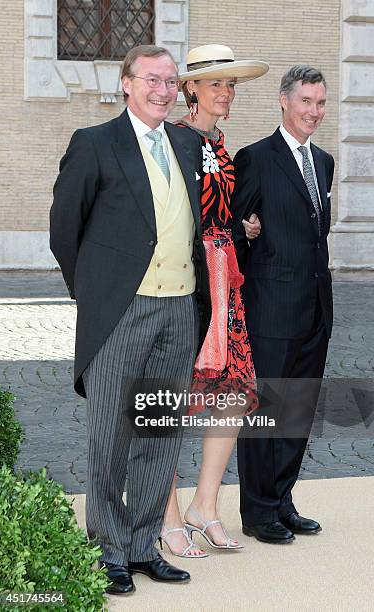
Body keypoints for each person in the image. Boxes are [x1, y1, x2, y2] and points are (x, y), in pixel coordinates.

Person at [50, 45, 212, 595]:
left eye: (171, 81)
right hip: (122, 311)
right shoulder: (94, 143)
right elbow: (63, 228)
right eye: (152, 80)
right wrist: (96, 295)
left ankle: (145, 546)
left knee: (159, 432)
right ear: (126, 83)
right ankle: (108, 550)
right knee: (110, 436)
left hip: (179, 308)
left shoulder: (190, 143)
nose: (163, 90)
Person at [159, 44, 268, 558]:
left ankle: (205, 506)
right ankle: (168, 515)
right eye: (217, 84)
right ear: (192, 89)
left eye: (232, 85)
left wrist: (239, 230)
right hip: (188, 281)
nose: (227, 93)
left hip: (225, 279)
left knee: (232, 393)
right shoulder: (174, 140)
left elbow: (217, 212)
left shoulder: (220, 144)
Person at [232, 65, 335, 544]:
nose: (314, 112)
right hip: (270, 307)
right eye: (306, 102)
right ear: (283, 101)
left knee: (297, 410)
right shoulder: (255, 158)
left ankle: (283, 499)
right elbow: (234, 232)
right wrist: (247, 233)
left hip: (316, 307)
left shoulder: (326, 163)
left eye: (320, 102)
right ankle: (257, 511)